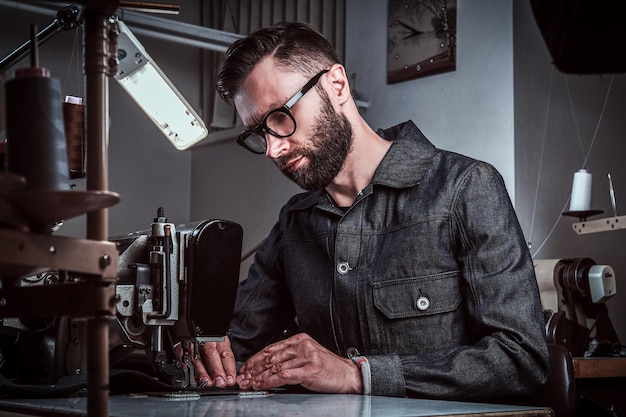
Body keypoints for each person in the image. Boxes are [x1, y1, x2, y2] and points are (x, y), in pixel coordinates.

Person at [188, 21, 549, 401]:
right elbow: (229, 344)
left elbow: (522, 359)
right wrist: (198, 349)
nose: (272, 150)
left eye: (280, 117)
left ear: (337, 85)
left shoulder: (466, 189)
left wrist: (358, 375)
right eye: (259, 132)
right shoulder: (295, 222)